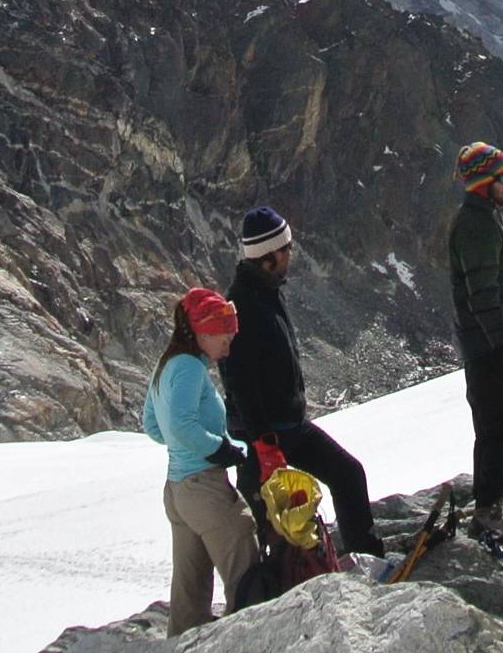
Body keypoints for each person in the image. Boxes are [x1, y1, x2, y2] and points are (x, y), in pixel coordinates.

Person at [222, 205, 385, 557]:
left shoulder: (265, 289)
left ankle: (366, 558)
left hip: (289, 426)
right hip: (266, 437)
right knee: (271, 528)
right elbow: (240, 383)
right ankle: (275, 592)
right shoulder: (242, 306)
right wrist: (265, 445)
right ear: (271, 255)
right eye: (287, 248)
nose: (291, 254)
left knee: (348, 474)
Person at [141, 286, 263, 635]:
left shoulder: (165, 364)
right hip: (204, 488)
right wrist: (219, 449)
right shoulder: (191, 369)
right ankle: (252, 638)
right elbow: (180, 425)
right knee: (243, 561)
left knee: (189, 590)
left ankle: (182, 642)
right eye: (226, 333)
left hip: (177, 491)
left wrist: (185, 449)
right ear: (204, 332)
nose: (230, 341)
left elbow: (153, 425)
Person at [446, 141, 503, 541]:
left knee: (502, 429)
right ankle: (487, 513)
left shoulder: (487, 219)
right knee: (496, 429)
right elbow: (483, 295)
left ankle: (493, 503)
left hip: (488, 343)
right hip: (485, 348)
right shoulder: (477, 225)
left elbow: (502, 286)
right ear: (485, 182)